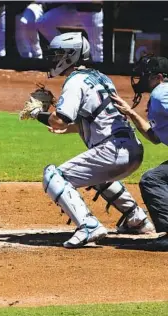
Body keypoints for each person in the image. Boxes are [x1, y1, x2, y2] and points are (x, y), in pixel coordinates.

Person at [24, 32, 154, 248]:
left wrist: (38, 113)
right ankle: (136, 219)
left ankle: (88, 225)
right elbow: (98, 117)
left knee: (53, 175)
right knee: (96, 174)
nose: (54, 60)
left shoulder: (74, 81)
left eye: (57, 55)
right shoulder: (101, 77)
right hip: (132, 149)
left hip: (112, 151)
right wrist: (71, 129)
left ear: (70, 55)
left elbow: (59, 120)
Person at [111, 54, 168, 246]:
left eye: (147, 75)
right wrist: (130, 113)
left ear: (159, 77)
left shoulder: (161, 92)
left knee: (153, 180)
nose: (142, 79)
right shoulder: (161, 94)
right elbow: (154, 137)